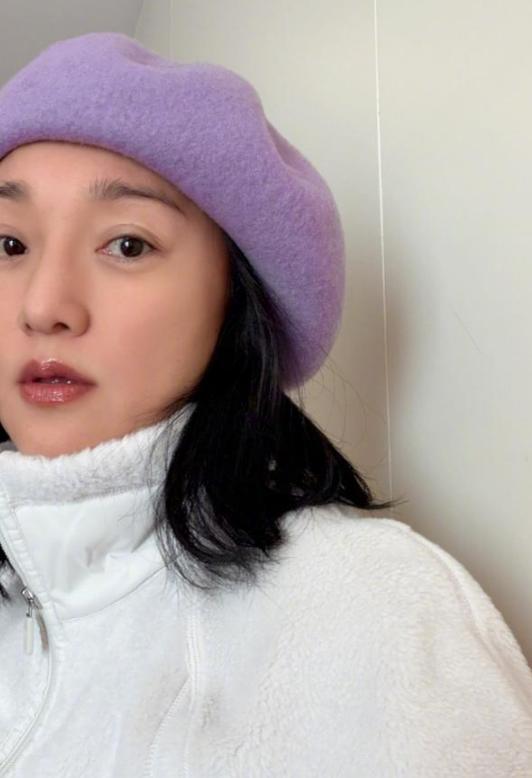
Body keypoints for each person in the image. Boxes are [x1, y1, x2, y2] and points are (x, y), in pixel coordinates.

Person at [0, 32, 530, 778]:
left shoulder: (374, 612)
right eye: (9, 245)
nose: (44, 306)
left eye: (127, 245)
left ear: (236, 298)